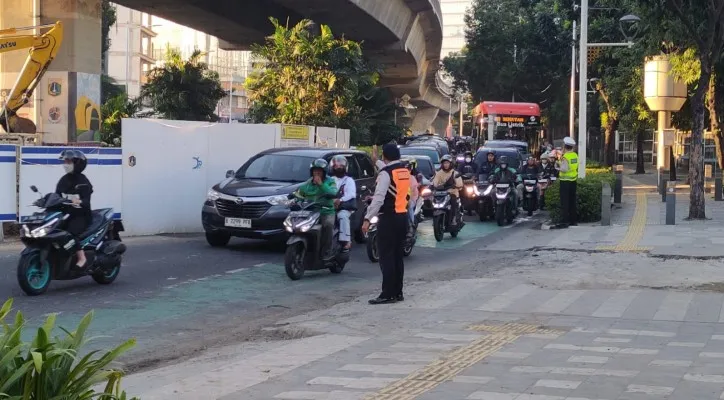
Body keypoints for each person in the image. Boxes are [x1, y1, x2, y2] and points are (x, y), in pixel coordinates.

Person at [362, 143, 411, 305]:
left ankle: (387, 294)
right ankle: (398, 292)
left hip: (388, 218)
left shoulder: (385, 174)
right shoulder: (404, 171)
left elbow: (379, 198)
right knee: (397, 257)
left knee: (386, 257)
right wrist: (376, 161)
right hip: (402, 217)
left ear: (385, 156)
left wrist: (368, 218)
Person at [55, 150, 93, 269]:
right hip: (66, 215)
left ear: (77, 163)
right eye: (65, 161)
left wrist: (79, 201)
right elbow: (56, 196)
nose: (66, 164)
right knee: (51, 230)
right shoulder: (63, 180)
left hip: (81, 216)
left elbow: (86, 202)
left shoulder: (83, 181)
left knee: (70, 233)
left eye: (69, 161)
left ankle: (82, 258)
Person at [295, 159, 338, 259]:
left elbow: (333, 193)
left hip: (326, 211)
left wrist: (321, 185)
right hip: (310, 211)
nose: (317, 173)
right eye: (315, 171)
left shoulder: (330, 181)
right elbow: (299, 193)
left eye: (319, 171)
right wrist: (293, 198)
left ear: (324, 172)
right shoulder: (308, 183)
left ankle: (327, 250)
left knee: (328, 225)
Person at [330, 155, 356, 251]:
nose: (339, 167)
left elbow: (351, 194)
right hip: (329, 206)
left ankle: (346, 241)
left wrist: (340, 200)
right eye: (336, 166)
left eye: (341, 166)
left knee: (342, 216)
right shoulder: (330, 179)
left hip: (344, 207)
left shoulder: (349, 180)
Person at [432, 155, 464, 226]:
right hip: (441, 193)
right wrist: (434, 185)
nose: (446, 165)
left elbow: (459, 184)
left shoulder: (454, 173)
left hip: (452, 193)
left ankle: (454, 218)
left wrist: (456, 185)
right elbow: (435, 182)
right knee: (434, 202)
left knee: (453, 202)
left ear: (451, 164)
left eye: (447, 163)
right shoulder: (439, 173)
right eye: (444, 163)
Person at [555, 136, 579, 229]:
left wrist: (557, 166)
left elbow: (564, 169)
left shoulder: (565, 157)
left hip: (565, 181)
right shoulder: (575, 155)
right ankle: (573, 220)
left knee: (564, 202)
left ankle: (565, 221)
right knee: (572, 201)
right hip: (573, 180)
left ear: (565, 146)